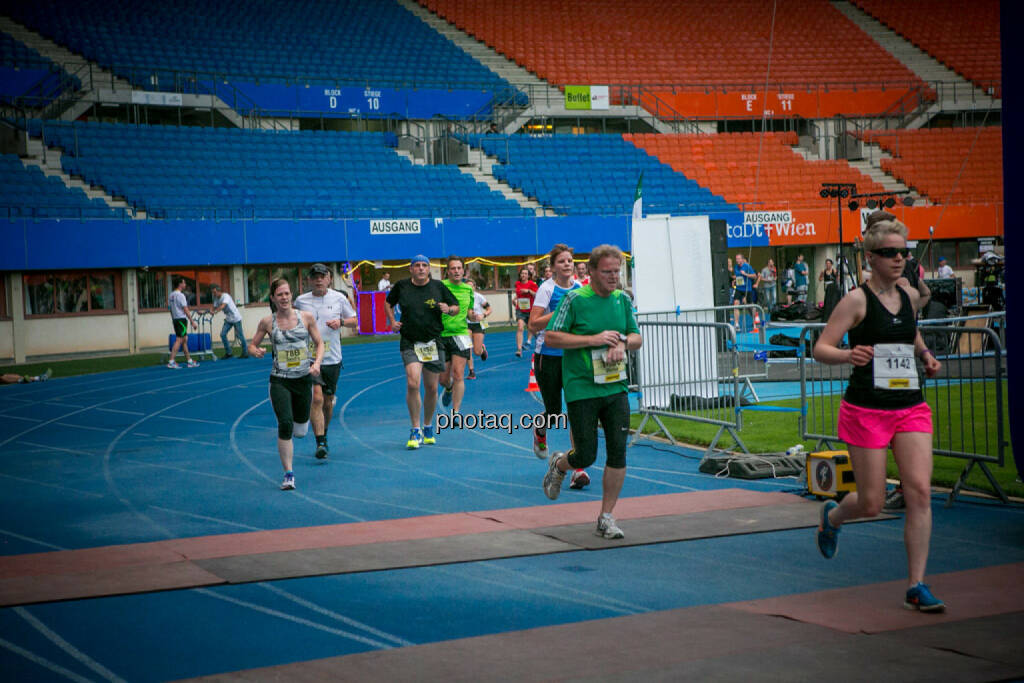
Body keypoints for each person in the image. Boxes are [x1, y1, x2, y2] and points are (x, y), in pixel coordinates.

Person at [812, 217, 944, 612]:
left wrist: (924, 354)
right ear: (870, 258)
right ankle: (833, 518)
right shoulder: (856, 300)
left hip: (910, 407)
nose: (899, 259)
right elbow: (821, 348)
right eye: (890, 253)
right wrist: (848, 354)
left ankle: (916, 585)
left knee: (919, 491)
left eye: (904, 252)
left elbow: (910, 331)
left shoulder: (906, 292)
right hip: (866, 408)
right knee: (872, 503)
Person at [542, 244, 643, 539]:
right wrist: (593, 339)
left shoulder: (622, 301)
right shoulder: (575, 299)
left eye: (617, 271)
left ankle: (606, 516)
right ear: (593, 271)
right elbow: (551, 336)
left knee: (618, 452)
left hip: (616, 386)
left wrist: (623, 344)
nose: (614, 277)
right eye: (608, 272)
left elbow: (636, 336)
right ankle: (560, 464)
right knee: (585, 455)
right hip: (582, 387)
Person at [247, 278, 324, 491]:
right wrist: (256, 351)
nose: (284, 298)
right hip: (280, 380)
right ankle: (288, 474)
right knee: (285, 424)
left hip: (303, 379)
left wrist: (316, 363)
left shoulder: (306, 317)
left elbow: (319, 343)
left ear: (292, 295)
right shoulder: (267, 322)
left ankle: (299, 431)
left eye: (287, 293)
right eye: (279, 294)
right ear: (273, 298)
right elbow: (251, 346)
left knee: (300, 430)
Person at [528, 243, 590, 490]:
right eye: (562, 261)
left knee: (577, 411)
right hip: (548, 356)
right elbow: (533, 324)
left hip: (573, 356)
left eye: (570, 260)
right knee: (554, 414)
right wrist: (560, 313)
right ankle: (540, 431)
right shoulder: (546, 289)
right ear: (553, 267)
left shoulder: (580, 289)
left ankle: (578, 468)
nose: (567, 264)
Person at [385, 255, 459, 449]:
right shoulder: (401, 286)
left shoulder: (438, 287)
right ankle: (415, 428)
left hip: (433, 342)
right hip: (410, 341)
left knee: (432, 388)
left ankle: (427, 425)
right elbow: (388, 303)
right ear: (410, 269)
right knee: (412, 382)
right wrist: (392, 321)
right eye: (416, 265)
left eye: (424, 265)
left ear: (429, 269)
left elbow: (456, 308)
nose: (420, 268)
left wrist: (448, 309)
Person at [294, 263, 358, 460]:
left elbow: (354, 320)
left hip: (332, 358)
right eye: (315, 277)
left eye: (322, 276)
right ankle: (320, 441)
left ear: (329, 279)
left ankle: (325, 430)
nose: (319, 280)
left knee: (328, 402)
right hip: (310, 357)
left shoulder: (339, 298)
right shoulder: (301, 301)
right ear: (309, 280)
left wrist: (341, 322)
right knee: (317, 398)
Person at [438, 256, 475, 413]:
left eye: (459, 268)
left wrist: (476, 316)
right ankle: (448, 388)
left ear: (464, 270)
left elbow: (470, 313)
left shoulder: (468, 290)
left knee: (459, 374)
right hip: (441, 336)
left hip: (461, 334)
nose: (456, 271)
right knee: (443, 379)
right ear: (447, 271)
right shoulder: (440, 287)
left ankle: (456, 411)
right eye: (453, 268)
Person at [167, 277, 199, 369]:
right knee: (179, 340)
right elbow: (185, 309)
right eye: (184, 283)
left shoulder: (171, 295)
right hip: (181, 320)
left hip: (176, 319)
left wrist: (173, 318)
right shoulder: (181, 295)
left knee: (184, 339)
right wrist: (192, 321)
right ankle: (171, 361)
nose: (185, 285)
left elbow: (170, 309)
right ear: (180, 284)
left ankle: (189, 361)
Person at [210, 283, 248, 359]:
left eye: (214, 292)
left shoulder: (225, 296)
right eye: (212, 293)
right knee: (223, 334)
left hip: (236, 318)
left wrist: (215, 311)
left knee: (240, 335)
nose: (213, 294)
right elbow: (213, 307)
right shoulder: (216, 299)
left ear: (218, 291)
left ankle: (245, 353)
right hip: (228, 319)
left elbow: (223, 306)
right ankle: (229, 353)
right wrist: (210, 311)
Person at [466, 280, 491, 380]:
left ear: (474, 287)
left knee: (477, 351)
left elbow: (489, 309)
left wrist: (483, 315)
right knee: (468, 348)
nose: (469, 289)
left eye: (471, 287)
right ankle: (471, 371)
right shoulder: (462, 297)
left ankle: (482, 349)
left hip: (478, 325)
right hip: (466, 324)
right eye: (467, 287)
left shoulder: (479, 297)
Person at [513, 267, 538, 357]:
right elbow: (518, 293)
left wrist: (528, 291)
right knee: (520, 327)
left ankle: (539, 340)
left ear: (528, 276)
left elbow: (537, 294)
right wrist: (515, 299)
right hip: (520, 309)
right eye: (522, 273)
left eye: (525, 274)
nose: (523, 275)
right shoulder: (517, 284)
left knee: (532, 328)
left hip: (530, 309)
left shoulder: (532, 284)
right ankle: (519, 349)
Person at [731, 253, 757, 328]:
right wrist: (735, 280)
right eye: (736, 259)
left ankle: (755, 321)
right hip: (739, 289)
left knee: (750, 306)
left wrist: (745, 274)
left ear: (742, 259)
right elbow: (738, 276)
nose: (737, 260)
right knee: (736, 304)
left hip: (747, 289)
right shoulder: (736, 267)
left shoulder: (747, 266)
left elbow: (754, 276)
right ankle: (736, 324)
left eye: (739, 259)